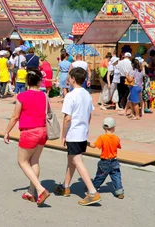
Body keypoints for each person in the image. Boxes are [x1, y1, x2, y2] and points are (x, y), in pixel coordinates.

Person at [3, 68, 51, 206]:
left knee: (23, 162)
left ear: (27, 81)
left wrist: (7, 131)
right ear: (39, 81)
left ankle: (40, 189)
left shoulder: (22, 96)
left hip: (29, 132)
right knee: (34, 161)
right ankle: (31, 192)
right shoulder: (44, 96)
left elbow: (15, 116)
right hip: (42, 131)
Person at [53, 67, 101, 206]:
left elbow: (67, 118)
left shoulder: (70, 95)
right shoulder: (87, 94)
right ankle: (66, 186)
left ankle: (92, 192)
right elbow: (90, 114)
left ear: (73, 79)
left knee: (77, 161)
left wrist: (63, 136)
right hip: (83, 132)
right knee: (71, 160)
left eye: (69, 77)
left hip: (73, 133)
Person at [87, 117, 124, 199]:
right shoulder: (116, 138)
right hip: (114, 161)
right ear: (114, 127)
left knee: (100, 176)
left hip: (104, 161)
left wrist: (87, 143)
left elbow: (94, 146)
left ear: (103, 127)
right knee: (116, 177)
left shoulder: (102, 137)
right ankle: (119, 192)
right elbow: (118, 146)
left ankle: (92, 188)